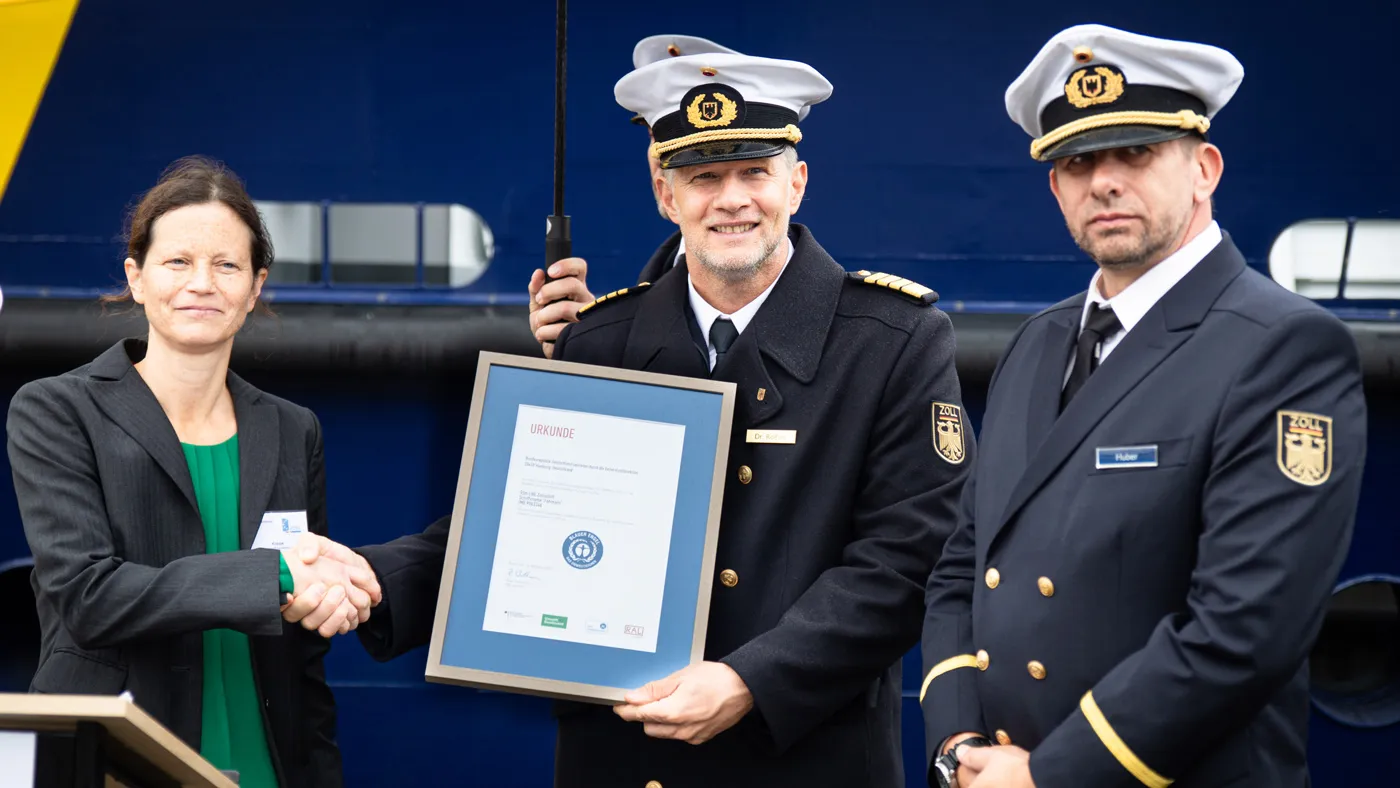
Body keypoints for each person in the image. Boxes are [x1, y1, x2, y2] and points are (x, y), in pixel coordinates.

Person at [290, 52, 973, 786]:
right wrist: (376, 575)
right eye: (704, 178)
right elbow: (523, 524)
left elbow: (907, 558)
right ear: (664, 192)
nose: (731, 200)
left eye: (755, 173)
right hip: (624, 761)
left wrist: (751, 680)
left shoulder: (893, 341)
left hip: (801, 759)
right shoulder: (601, 340)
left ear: (796, 183)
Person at [918, 24, 1366, 788]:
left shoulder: (1283, 349)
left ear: (1204, 170)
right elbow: (964, 562)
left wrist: (1049, 774)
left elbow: (1244, 631)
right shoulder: (1036, 343)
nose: (1105, 182)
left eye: (1137, 153)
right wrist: (958, 741)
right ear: (1055, 186)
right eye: (1079, 161)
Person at [6, 156, 380, 788]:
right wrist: (278, 574)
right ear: (137, 277)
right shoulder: (55, 410)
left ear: (255, 287)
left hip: (268, 760)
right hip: (116, 761)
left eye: (226, 265)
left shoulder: (293, 430)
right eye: (178, 262)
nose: (201, 283)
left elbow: (303, 657)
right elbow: (87, 598)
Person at [528, 34, 745, 357]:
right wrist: (600, 338)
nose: (660, 156)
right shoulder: (656, 281)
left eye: (697, 148)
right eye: (656, 134)